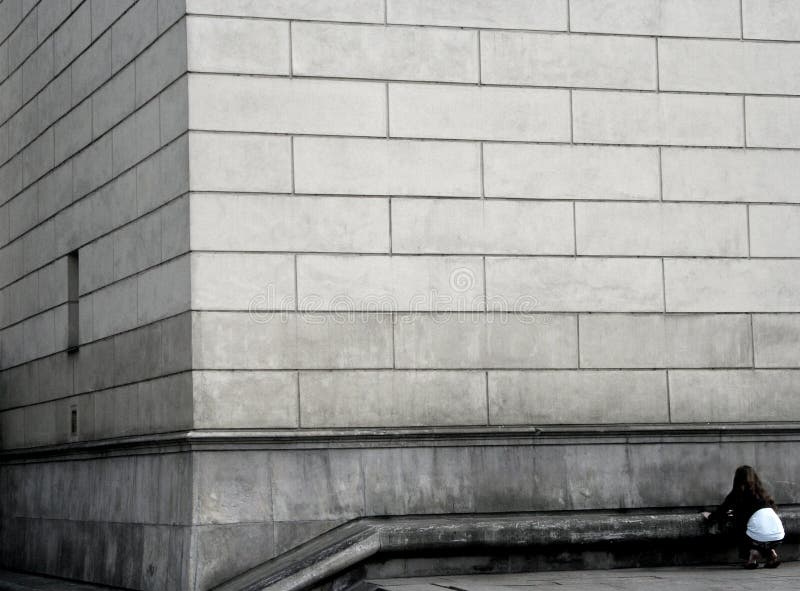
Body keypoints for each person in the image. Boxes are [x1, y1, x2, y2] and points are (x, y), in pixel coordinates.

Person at [702, 465, 785, 569]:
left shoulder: (736, 494)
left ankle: (752, 556)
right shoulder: (763, 495)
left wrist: (710, 516)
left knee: (739, 525)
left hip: (757, 538)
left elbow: (722, 510)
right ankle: (770, 553)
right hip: (779, 536)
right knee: (756, 528)